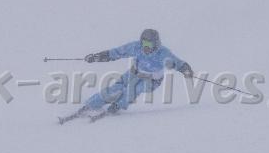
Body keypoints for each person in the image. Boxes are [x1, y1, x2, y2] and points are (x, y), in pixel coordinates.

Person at [59, 29, 193, 123]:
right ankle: (91, 105)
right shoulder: (136, 47)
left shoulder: (163, 53)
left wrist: (185, 69)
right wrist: (97, 57)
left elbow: (177, 63)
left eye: (149, 44)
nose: (146, 47)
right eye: (144, 43)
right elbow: (117, 52)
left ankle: (117, 105)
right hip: (134, 73)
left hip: (152, 80)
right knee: (115, 89)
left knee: (133, 89)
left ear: (156, 44)